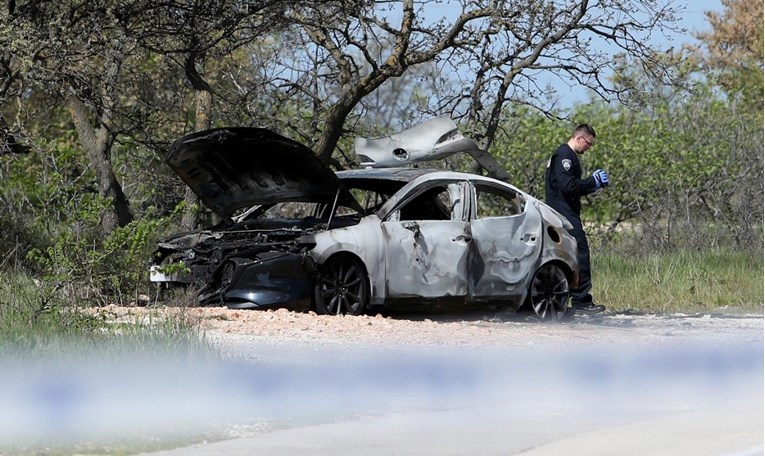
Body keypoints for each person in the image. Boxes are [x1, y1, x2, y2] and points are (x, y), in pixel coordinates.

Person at [544, 124, 609, 315]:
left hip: (564, 211)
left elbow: (571, 188)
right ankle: (581, 301)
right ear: (579, 138)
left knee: (566, 255)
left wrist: (594, 186)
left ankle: (562, 297)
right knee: (580, 253)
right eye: (588, 144)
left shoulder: (566, 155)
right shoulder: (564, 156)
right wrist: (592, 181)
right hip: (563, 212)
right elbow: (568, 187)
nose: (588, 148)